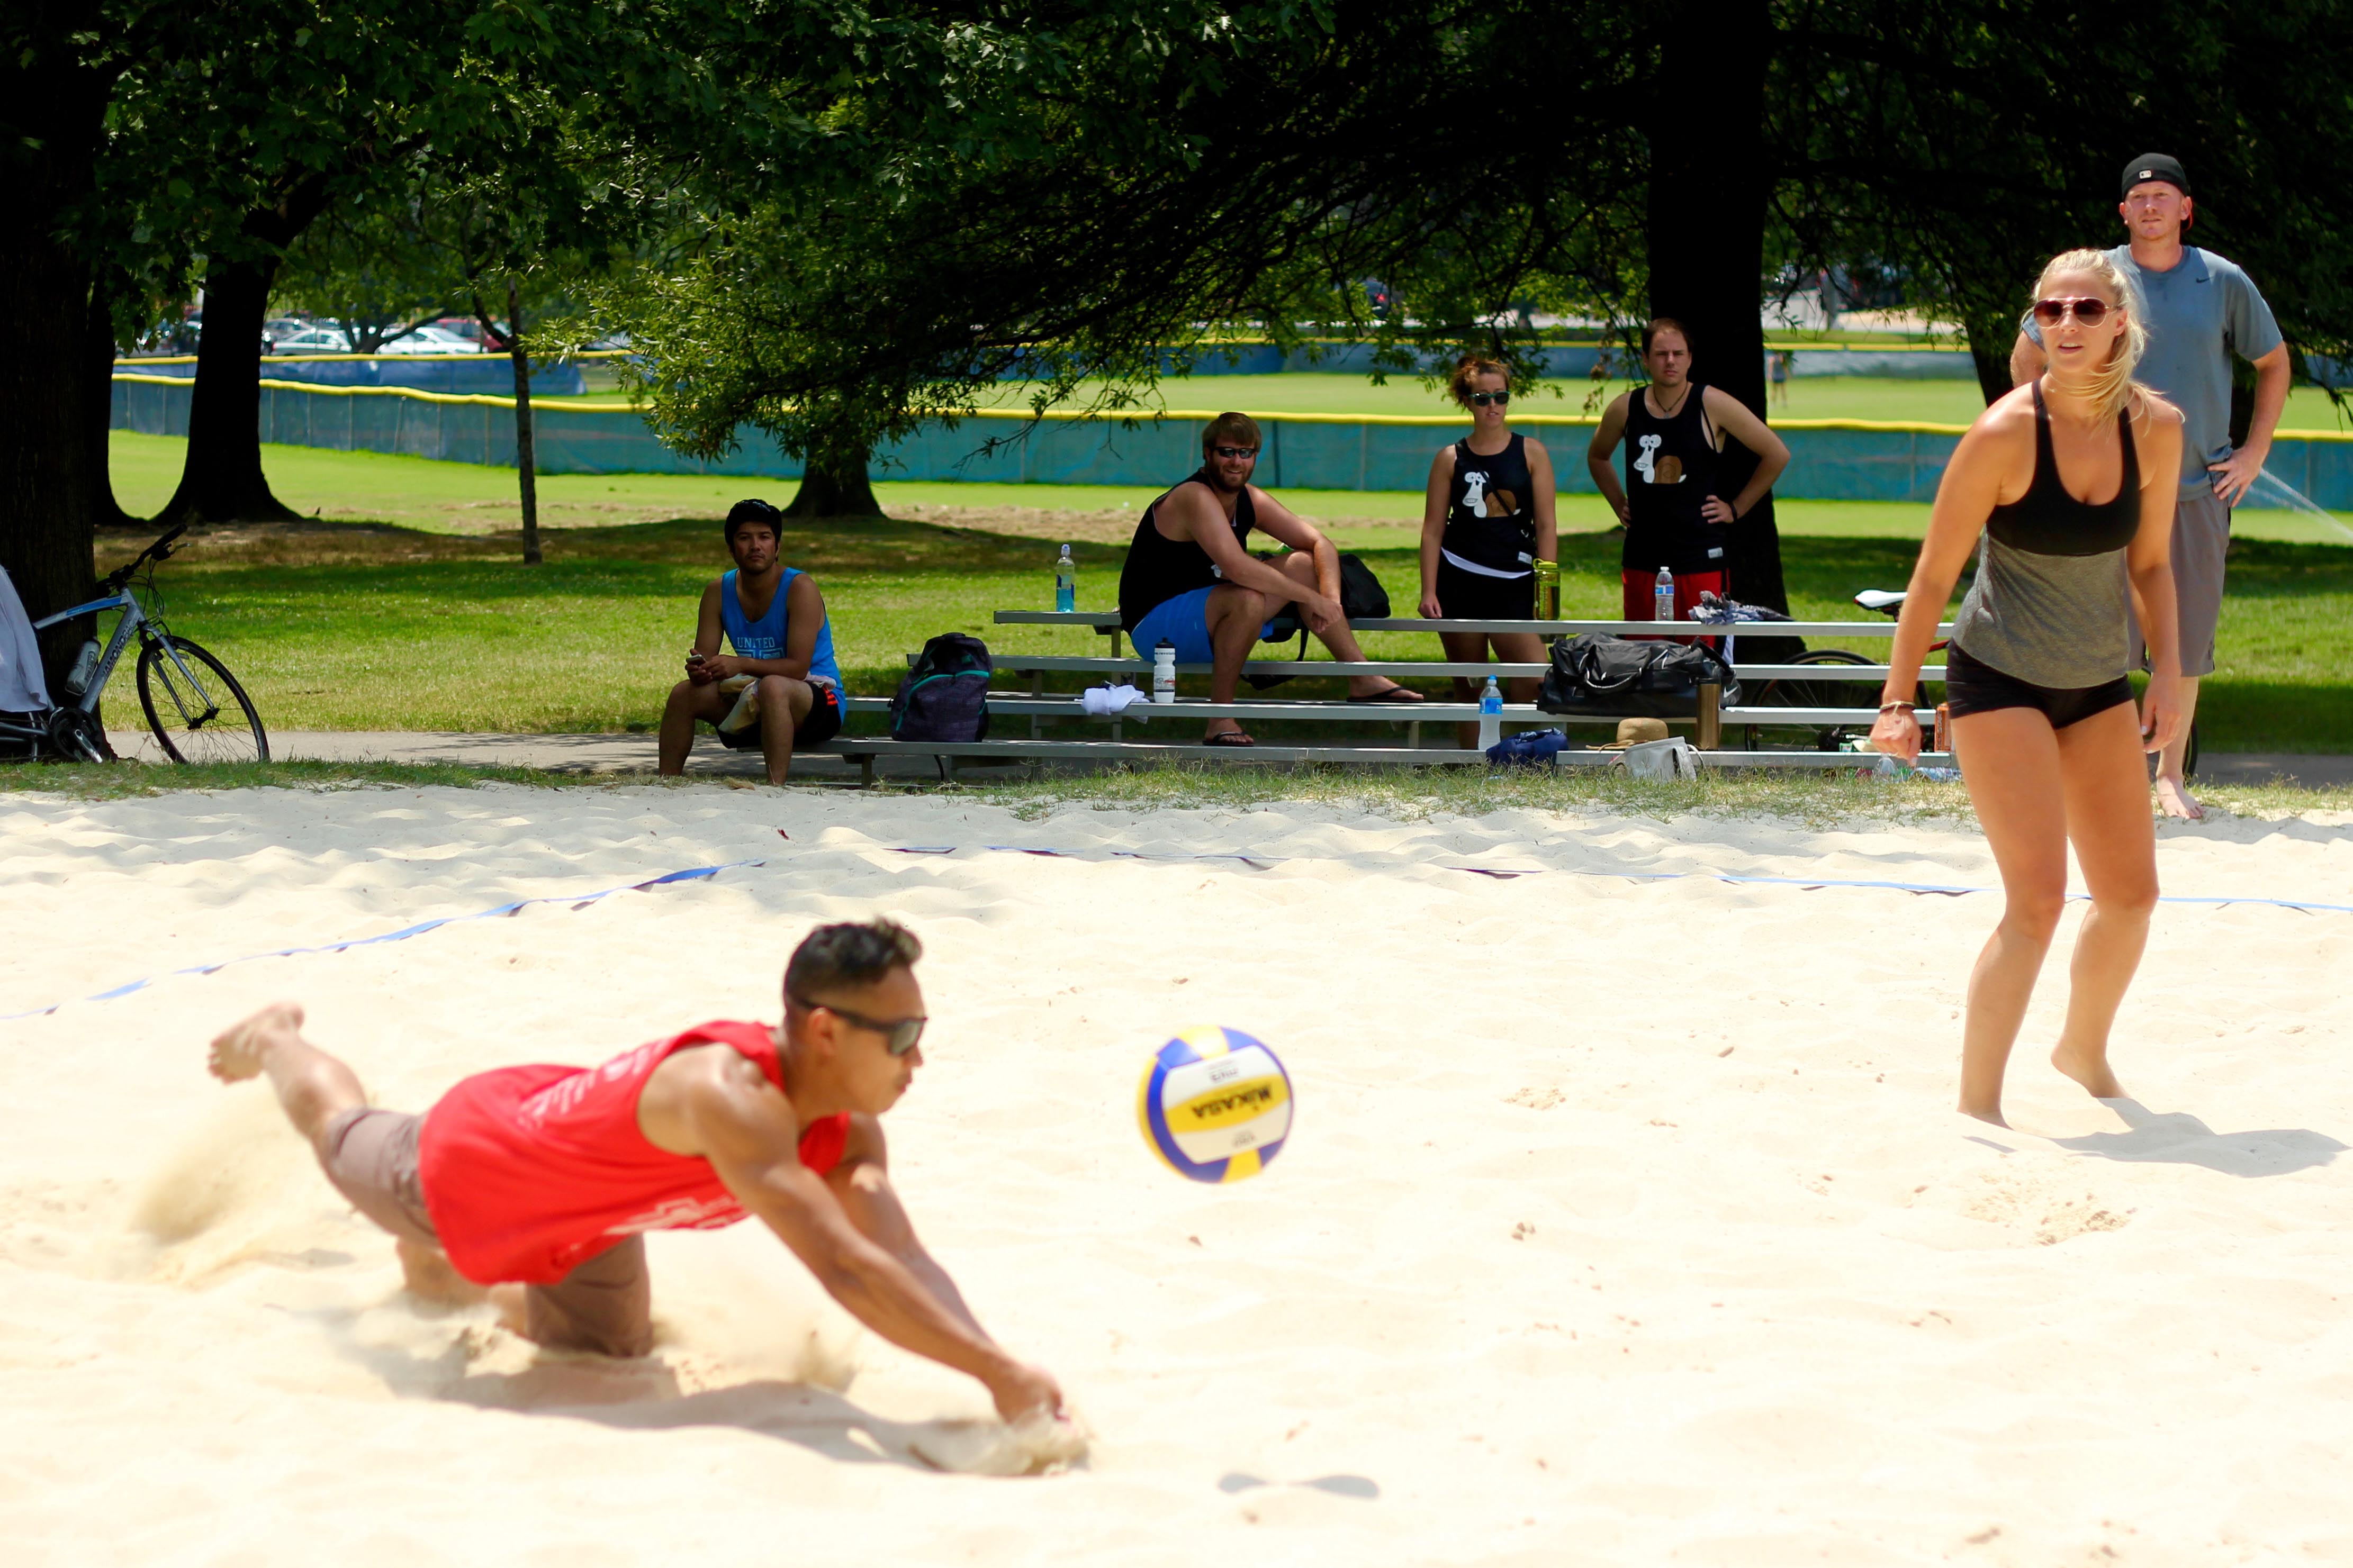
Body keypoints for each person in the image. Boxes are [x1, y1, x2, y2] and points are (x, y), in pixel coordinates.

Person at [203, 919, 1071, 1427]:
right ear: (823, 1030)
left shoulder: (850, 1133)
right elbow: (845, 1268)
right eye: (903, 1035)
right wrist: (997, 1379)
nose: (918, 1057)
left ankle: (440, 1268)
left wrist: (1000, 1362)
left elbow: (900, 1255)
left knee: (609, 1352)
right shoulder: (732, 1097)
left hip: (594, 1218)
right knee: (339, 1130)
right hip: (481, 1161)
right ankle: (275, 1037)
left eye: (921, 1030)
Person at [1875, 249, 2186, 1127]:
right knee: (2038, 901)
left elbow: (2152, 564)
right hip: (1999, 676)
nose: (2067, 325)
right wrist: (1897, 702)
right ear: (2035, 322)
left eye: (2086, 309)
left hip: (2095, 682)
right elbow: (1932, 578)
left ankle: (2082, 1048)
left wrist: (2168, 671)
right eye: (2050, 311)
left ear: (2120, 321)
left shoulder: (2156, 428)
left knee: (2131, 898)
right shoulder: (2005, 433)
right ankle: (1978, 1108)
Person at [2010, 153, 2289, 821]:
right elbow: (2026, 357)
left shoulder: (2220, 279)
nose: (2150, 207)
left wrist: (2253, 452)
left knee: (2182, 642)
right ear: (2122, 212)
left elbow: (2274, 363)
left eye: (2163, 196)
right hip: (2100, 487)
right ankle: (2097, 773)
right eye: (2138, 199)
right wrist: (2052, 445)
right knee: (2091, 638)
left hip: (2193, 490)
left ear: (2185, 209)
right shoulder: (2096, 279)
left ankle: (2168, 776)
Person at [1115, 412, 1420, 745]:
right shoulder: (1194, 495)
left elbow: (1319, 543)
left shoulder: (1249, 498)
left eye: (1246, 453)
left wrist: (1330, 599)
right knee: (1247, 598)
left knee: (1303, 564)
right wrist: (1310, 598)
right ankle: (1219, 719)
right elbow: (1237, 568)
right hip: (1155, 625)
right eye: (1227, 452)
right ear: (1207, 453)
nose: (1236, 462)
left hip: (1214, 611)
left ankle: (1363, 677)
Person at [1586, 319, 1791, 640]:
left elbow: (1776, 454)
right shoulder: (1626, 408)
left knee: (1699, 655)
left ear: (1690, 358)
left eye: (1678, 354)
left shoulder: (1712, 403)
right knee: (1643, 654)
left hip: (1700, 556)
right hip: (1643, 557)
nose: (1670, 361)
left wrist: (1736, 508)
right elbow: (1598, 457)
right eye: (1661, 354)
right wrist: (1619, 503)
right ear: (1645, 359)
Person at [1417, 356, 1559, 747]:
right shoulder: (1450, 458)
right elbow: (1432, 529)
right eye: (1482, 398)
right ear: (1467, 401)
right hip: (1460, 579)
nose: (1493, 405)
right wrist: (1428, 591)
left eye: (1501, 396)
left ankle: (1529, 760)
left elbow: (1547, 526)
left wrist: (1547, 591)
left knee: (1534, 679)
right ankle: (1472, 765)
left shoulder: (1531, 452)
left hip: (1515, 581)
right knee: (1470, 685)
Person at [658, 497, 844, 784]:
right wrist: (701, 671)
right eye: (744, 538)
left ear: (777, 547)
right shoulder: (718, 591)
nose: (755, 546)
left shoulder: (800, 587)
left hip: (817, 701)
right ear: (732, 549)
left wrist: (741, 664)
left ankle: (774, 788)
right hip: (754, 698)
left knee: (774, 686)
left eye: (764, 537)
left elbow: (798, 669)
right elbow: (705, 660)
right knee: (684, 693)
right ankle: (665, 784)